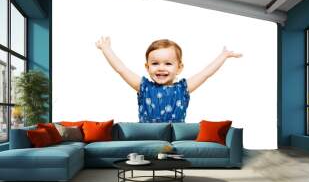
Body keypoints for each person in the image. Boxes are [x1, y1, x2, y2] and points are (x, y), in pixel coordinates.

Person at [96, 36, 242, 123]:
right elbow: (121, 69)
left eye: (168, 63)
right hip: (147, 138)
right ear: (147, 67)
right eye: (155, 63)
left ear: (179, 68)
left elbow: (205, 73)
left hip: (174, 139)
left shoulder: (183, 88)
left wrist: (223, 56)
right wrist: (106, 49)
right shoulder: (144, 87)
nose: (161, 68)